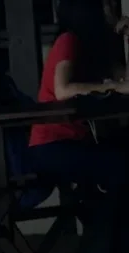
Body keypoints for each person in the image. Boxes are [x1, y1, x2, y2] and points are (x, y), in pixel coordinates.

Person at [26, 0, 129, 193]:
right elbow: (62, 90)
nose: (113, 8)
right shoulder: (68, 40)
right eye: (106, 5)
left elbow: (125, 80)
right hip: (53, 145)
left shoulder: (95, 50)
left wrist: (126, 35)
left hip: (77, 139)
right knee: (120, 164)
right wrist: (114, 86)